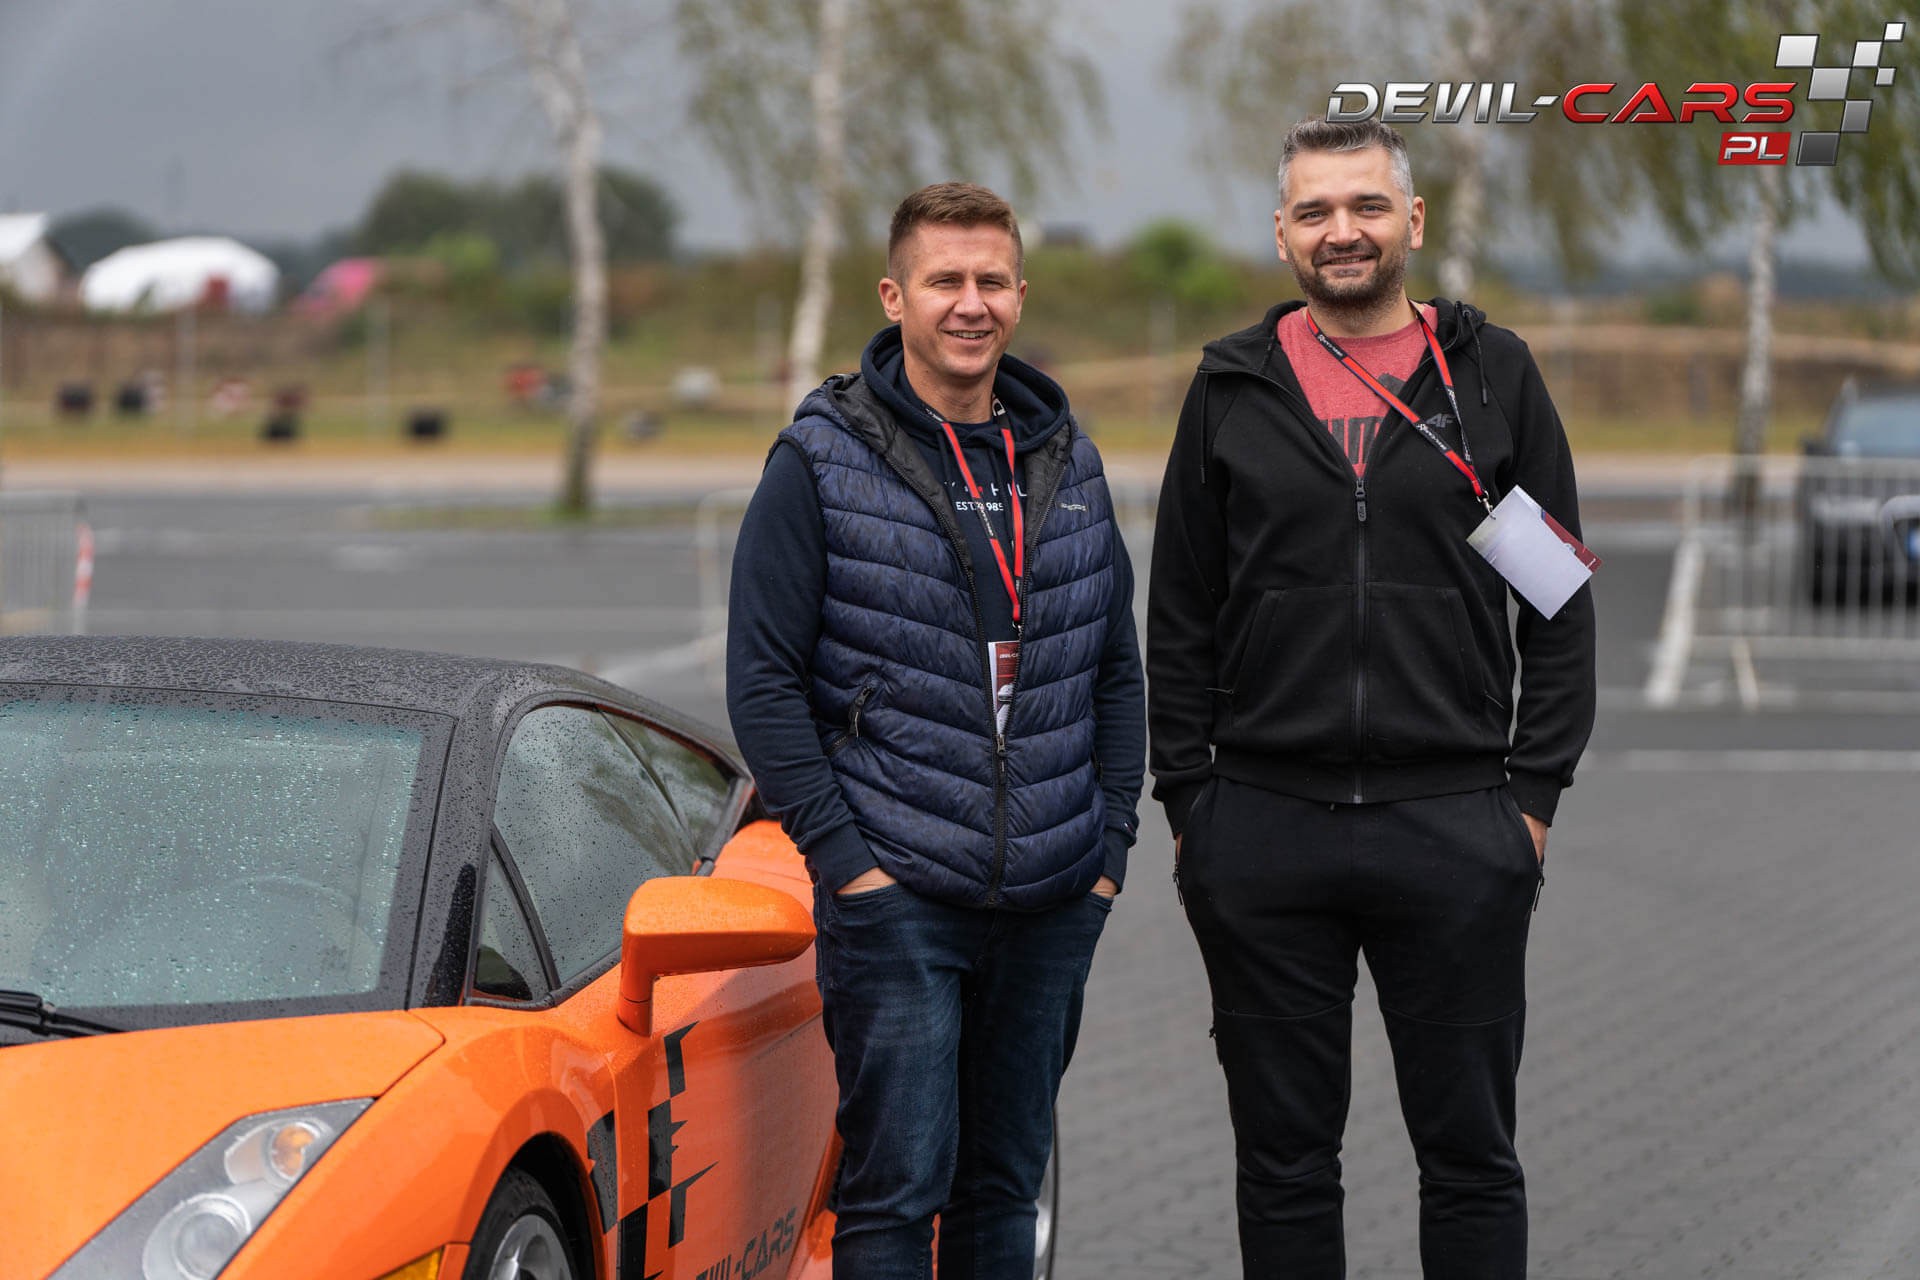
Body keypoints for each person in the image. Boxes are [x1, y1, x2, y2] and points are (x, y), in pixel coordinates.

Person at [1147, 118, 1596, 1279]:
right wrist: (1195, 807)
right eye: (1315, 211)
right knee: (1285, 1162)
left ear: (1413, 221)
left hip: (1455, 825)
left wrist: (1528, 804)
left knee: (1470, 1157)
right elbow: (1181, 611)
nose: (1341, 230)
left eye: (1365, 205)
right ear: (1282, 234)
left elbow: (1557, 600)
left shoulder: (1493, 375)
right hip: (1265, 827)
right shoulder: (1231, 387)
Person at [727, 181, 1144, 1279]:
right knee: (895, 1194)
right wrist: (849, 866)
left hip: (1051, 897)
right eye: (944, 280)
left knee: (1003, 1187)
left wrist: (1106, 851)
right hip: (897, 895)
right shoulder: (818, 461)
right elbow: (763, 685)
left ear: (1020, 296)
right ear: (894, 296)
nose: (971, 303)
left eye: (991, 280)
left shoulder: (1071, 461)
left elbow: (1114, 670)